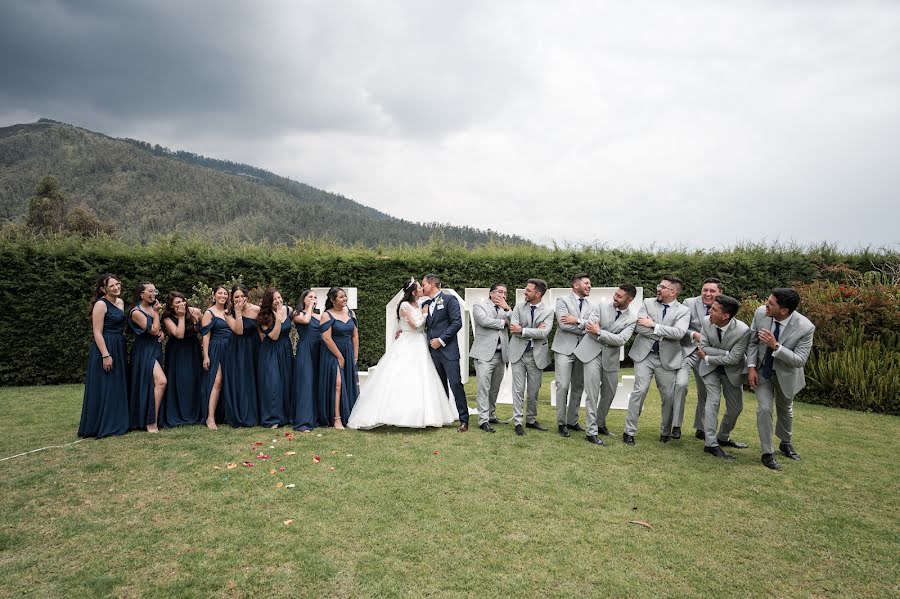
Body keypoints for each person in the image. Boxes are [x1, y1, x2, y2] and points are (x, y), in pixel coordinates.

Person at [348, 278, 456, 429]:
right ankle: (399, 413)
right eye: (419, 287)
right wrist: (424, 315)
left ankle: (424, 413)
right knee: (404, 377)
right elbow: (414, 325)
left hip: (420, 343)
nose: (421, 289)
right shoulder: (405, 305)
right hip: (408, 343)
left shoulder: (420, 304)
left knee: (423, 377)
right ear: (413, 292)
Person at [747, 288, 815, 471]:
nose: (765, 306)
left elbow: (800, 361)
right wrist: (751, 367)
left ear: (784, 310)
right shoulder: (761, 313)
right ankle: (767, 453)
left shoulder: (805, 327)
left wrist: (775, 346)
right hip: (762, 371)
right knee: (764, 408)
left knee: (785, 409)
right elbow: (752, 342)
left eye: (770, 303)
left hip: (787, 374)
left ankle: (785, 442)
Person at [623, 276, 690, 445]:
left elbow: (679, 334)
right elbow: (638, 326)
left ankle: (665, 432)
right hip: (644, 356)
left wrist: (654, 325)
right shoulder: (647, 302)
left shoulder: (683, 311)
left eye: (662, 286)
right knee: (640, 390)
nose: (658, 288)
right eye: (658, 285)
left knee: (668, 396)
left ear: (673, 292)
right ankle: (629, 432)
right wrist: (665, 335)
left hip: (667, 360)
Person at [574, 284, 637, 445]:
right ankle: (591, 432)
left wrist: (600, 332)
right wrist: (604, 334)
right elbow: (590, 328)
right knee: (592, 393)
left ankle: (600, 423)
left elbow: (622, 340)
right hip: (591, 354)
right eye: (615, 294)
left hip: (611, 358)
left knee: (609, 392)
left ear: (629, 300)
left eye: (620, 296)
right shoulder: (600, 306)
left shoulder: (632, 318)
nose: (615, 298)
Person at [695, 294, 751, 460]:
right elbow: (703, 346)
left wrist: (707, 357)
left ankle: (723, 437)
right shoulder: (706, 321)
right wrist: (726, 353)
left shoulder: (743, 331)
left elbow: (734, 359)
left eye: (714, 309)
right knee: (713, 402)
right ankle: (711, 444)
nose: (709, 311)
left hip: (732, 370)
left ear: (726, 316)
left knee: (736, 408)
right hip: (710, 370)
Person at [78, 274, 129, 438]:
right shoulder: (100, 304)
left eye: (118, 284)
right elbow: (97, 332)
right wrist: (105, 355)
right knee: (106, 383)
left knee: (117, 383)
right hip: (105, 346)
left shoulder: (120, 302)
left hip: (119, 344)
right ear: (103, 289)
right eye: (112, 285)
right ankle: (101, 423)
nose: (116, 287)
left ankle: (117, 420)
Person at [673, 277, 724, 440]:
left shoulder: (724, 306)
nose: (707, 294)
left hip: (708, 355)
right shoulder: (689, 303)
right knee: (680, 385)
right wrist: (693, 334)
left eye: (712, 291)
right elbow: (681, 326)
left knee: (706, 393)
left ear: (720, 293)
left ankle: (701, 428)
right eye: (705, 290)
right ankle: (676, 425)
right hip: (687, 351)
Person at [421, 274, 469, 432]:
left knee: (455, 383)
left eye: (424, 285)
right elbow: (425, 326)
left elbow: (457, 323)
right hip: (433, 353)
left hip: (448, 351)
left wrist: (441, 340)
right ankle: (443, 417)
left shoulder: (449, 300)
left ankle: (464, 420)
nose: (422, 288)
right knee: (439, 386)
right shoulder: (426, 304)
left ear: (433, 283)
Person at [508, 279, 554, 436]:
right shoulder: (519, 306)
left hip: (537, 356)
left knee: (533, 391)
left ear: (538, 293)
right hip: (518, 354)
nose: (525, 292)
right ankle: (518, 422)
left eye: (528, 290)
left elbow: (544, 333)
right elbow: (513, 329)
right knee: (518, 390)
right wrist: (533, 330)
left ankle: (532, 420)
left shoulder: (548, 311)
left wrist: (523, 330)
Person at [552, 273, 592, 437]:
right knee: (563, 386)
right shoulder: (562, 300)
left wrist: (576, 321)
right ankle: (561, 423)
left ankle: (572, 421)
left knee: (578, 386)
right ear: (576, 285)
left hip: (583, 351)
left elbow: (592, 326)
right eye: (587, 283)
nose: (589, 286)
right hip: (564, 349)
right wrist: (584, 325)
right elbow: (563, 325)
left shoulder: (591, 306)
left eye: (590, 284)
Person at [470, 283, 512, 433]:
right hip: (484, 355)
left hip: (501, 354)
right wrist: (503, 323)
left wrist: (507, 308)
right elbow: (484, 321)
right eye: (500, 292)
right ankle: (483, 420)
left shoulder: (505, 309)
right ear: (491, 293)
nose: (503, 295)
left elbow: (515, 323)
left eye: (505, 293)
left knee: (495, 388)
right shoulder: (479, 306)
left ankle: (491, 415)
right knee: (483, 388)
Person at [127, 282, 167, 432]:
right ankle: (151, 422)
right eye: (150, 291)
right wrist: (157, 314)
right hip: (143, 351)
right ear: (141, 294)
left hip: (155, 348)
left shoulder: (151, 308)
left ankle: (151, 418)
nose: (154, 293)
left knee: (152, 384)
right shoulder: (136, 312)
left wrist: (162, 333)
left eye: (155, 290)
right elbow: (153, 330)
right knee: (162, 381)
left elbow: (159, 330)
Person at [159, 292, 202, 427]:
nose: (182, 304)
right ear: (171, 306)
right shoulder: (167, 317)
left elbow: (204, 328)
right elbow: (179, 334)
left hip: (193, 349)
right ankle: (179, 413)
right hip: (178, 351)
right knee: (181, 380)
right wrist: (182, 317)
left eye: (183, 300)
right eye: (177, 302)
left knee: (194, 379)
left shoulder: (194, 312)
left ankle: (196, 412)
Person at [318, 287, 359, 429]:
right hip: (332, 352)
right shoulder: (327, 315)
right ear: (332, 300)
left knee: (347, 382)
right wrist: (340, 357)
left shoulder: (350, 312)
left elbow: (355, 334)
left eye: (345, 296)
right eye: (341, 297)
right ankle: (336, 418)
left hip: (348, 351)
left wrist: (355, 355)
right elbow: (326, 338)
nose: (344, 299)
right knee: (337, 383)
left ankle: (349, 415)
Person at [221, 284, 260, 427]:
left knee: (255, 377)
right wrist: (237, 313)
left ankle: (258, 413)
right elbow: (238, 331)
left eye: (242, 296)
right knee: (241, 379)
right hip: (238, 348)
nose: (239, 299)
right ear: (232, 298)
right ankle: (241, 414)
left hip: (254, 347)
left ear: (247, 297)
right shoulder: (228, 313)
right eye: (236, 297)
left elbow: (262, 330)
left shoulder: (256, 310)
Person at [256, 287, 293, 428]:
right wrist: (278, 319)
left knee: (286, 381)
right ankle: (272, 419)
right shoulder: (264, 316)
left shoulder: (288, 310)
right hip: (270, 351)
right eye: (274, 299)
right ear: (269, 302)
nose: (278, 300)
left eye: (279, 297)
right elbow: (274, 336)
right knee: (273, 384)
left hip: (285, 350)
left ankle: (286, 415)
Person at [199, 285, 233, 429]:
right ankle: (210, 418)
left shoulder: (229, 312)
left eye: (225, 293)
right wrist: (205, 355)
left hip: (230, 348)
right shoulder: (209, 313)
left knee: (229, 381)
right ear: (214, 295)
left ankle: (226, 415)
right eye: (220, 293)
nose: (223, 296)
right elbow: (206, 335)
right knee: (216, 381)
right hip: (216, 348)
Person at [290, 289, 322, 432]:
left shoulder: (320, 315)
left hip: (318, 350)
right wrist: (309, 307)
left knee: (316, 382)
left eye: (315, 297)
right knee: (306, 383)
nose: (313, 299)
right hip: (305, 350)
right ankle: (304, 421)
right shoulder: (297, 314)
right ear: (304, 299)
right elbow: (306, 320)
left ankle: (317, 417)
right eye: (310, 297)